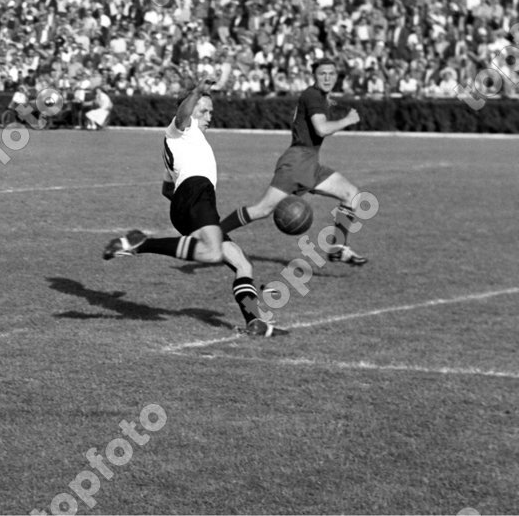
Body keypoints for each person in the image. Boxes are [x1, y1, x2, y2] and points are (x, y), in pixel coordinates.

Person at [103, 74, 283, 337]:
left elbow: (167, 189)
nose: (209, 116)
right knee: (212, 254)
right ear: (190, 107)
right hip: (196, 194)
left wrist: (187, 206)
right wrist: (196, 91)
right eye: (204, 110)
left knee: (242, 264)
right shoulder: (182, 129)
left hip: (190, 202)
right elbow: (182, 115)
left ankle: (254, 322)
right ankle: (140, 243)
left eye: (211, 111)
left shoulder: (182, 143)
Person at [218, 58, 368, 265]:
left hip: (309, 162)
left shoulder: (319, 97)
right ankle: (213, 234)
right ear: (314, 75)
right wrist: (347, 120)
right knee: (262, 209)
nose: (327, 77)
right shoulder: (313, 96)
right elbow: (321, 129)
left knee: (351, 194)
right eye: (322, 73)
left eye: (331, 73)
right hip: (297, 162)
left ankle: (336, 248)